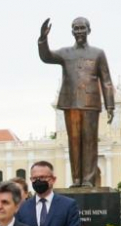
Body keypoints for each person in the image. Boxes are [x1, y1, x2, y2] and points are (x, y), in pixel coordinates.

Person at [38, 16, 116, 187]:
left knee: (89, 142)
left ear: (89, 30)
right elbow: (46, 56)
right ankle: (76, 180)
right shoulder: (65, 53)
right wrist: (43, 39)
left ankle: (88, 180)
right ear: (72, 31)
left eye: (82, 28)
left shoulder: (98, 53)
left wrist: (110, 105)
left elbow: (107, 81)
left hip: (91, 103)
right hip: (70, 102)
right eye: (76, 28)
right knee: (74, 141)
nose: (79, 31)